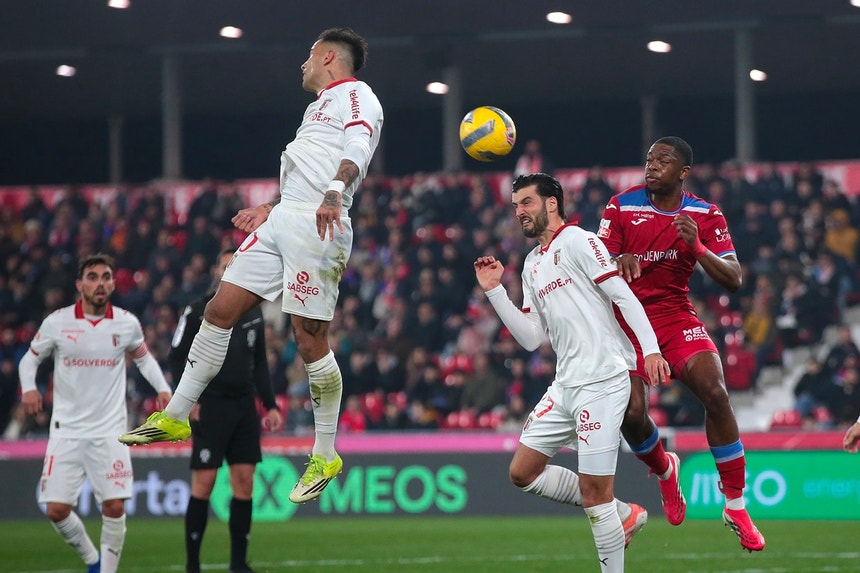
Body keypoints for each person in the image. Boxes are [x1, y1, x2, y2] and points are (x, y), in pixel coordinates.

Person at [119, 27, 383, 505]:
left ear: (328, 56)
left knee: (309, 338)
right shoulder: (316, 108)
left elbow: (358, 148)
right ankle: (176, 415)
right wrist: (270, 207)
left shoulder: (357, 94)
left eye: (309, 55)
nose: (303, 64)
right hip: (285, 218)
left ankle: (325, 454)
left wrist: (333, 193)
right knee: (218, 311)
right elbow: (310, 169)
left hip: (319, 222)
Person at [474, 173, 671, 572]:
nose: (519, 212)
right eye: (515, 206)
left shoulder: (579, 240)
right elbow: (531, 338)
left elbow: (622, 294)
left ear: (551, 203)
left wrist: (650, 350)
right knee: (522, 473)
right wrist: (495, 290)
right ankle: (624, 514)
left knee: (595, 496)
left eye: (526, 203)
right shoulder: (532, 263)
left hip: (603, 381)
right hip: (565, 386)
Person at [598, 136, 766, 551]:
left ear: (684, 172)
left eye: (664, 160)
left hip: (674, 316)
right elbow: (592, 267)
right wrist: (614, 262)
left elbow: (734, 278)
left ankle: (736, 505)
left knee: (716, 392)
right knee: (631, 415)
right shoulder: (621, 206)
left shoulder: (705, 214)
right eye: (649, 159)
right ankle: (665, 469)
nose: (652, 165)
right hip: (625, 322)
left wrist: (698, 247)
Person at [18, 253, 173, 573]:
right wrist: (29, 388)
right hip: (67, 430)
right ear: (80, 285)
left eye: (105, 277)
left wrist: (163, 389)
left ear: (113, 284)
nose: (100, 283)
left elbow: (144, 358)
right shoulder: (58, 322)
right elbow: (29, 359)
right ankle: (94, 561)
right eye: (92, 277)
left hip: (110, 431)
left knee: (114, 506)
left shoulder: (126, 323)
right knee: (56, 510)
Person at [170, 249, 283, 573]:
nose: (231, 268)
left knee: (245, 482)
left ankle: (238, 564)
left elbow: (259, 363)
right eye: (226, 264)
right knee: (204, 483)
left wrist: (270, 404)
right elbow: (176, 356)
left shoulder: (253, 312)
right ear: (216, 271)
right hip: (210, 406)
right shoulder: (197, 310)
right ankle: (193, 564)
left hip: (244, 407)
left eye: (237, 263)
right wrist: (188, 400)